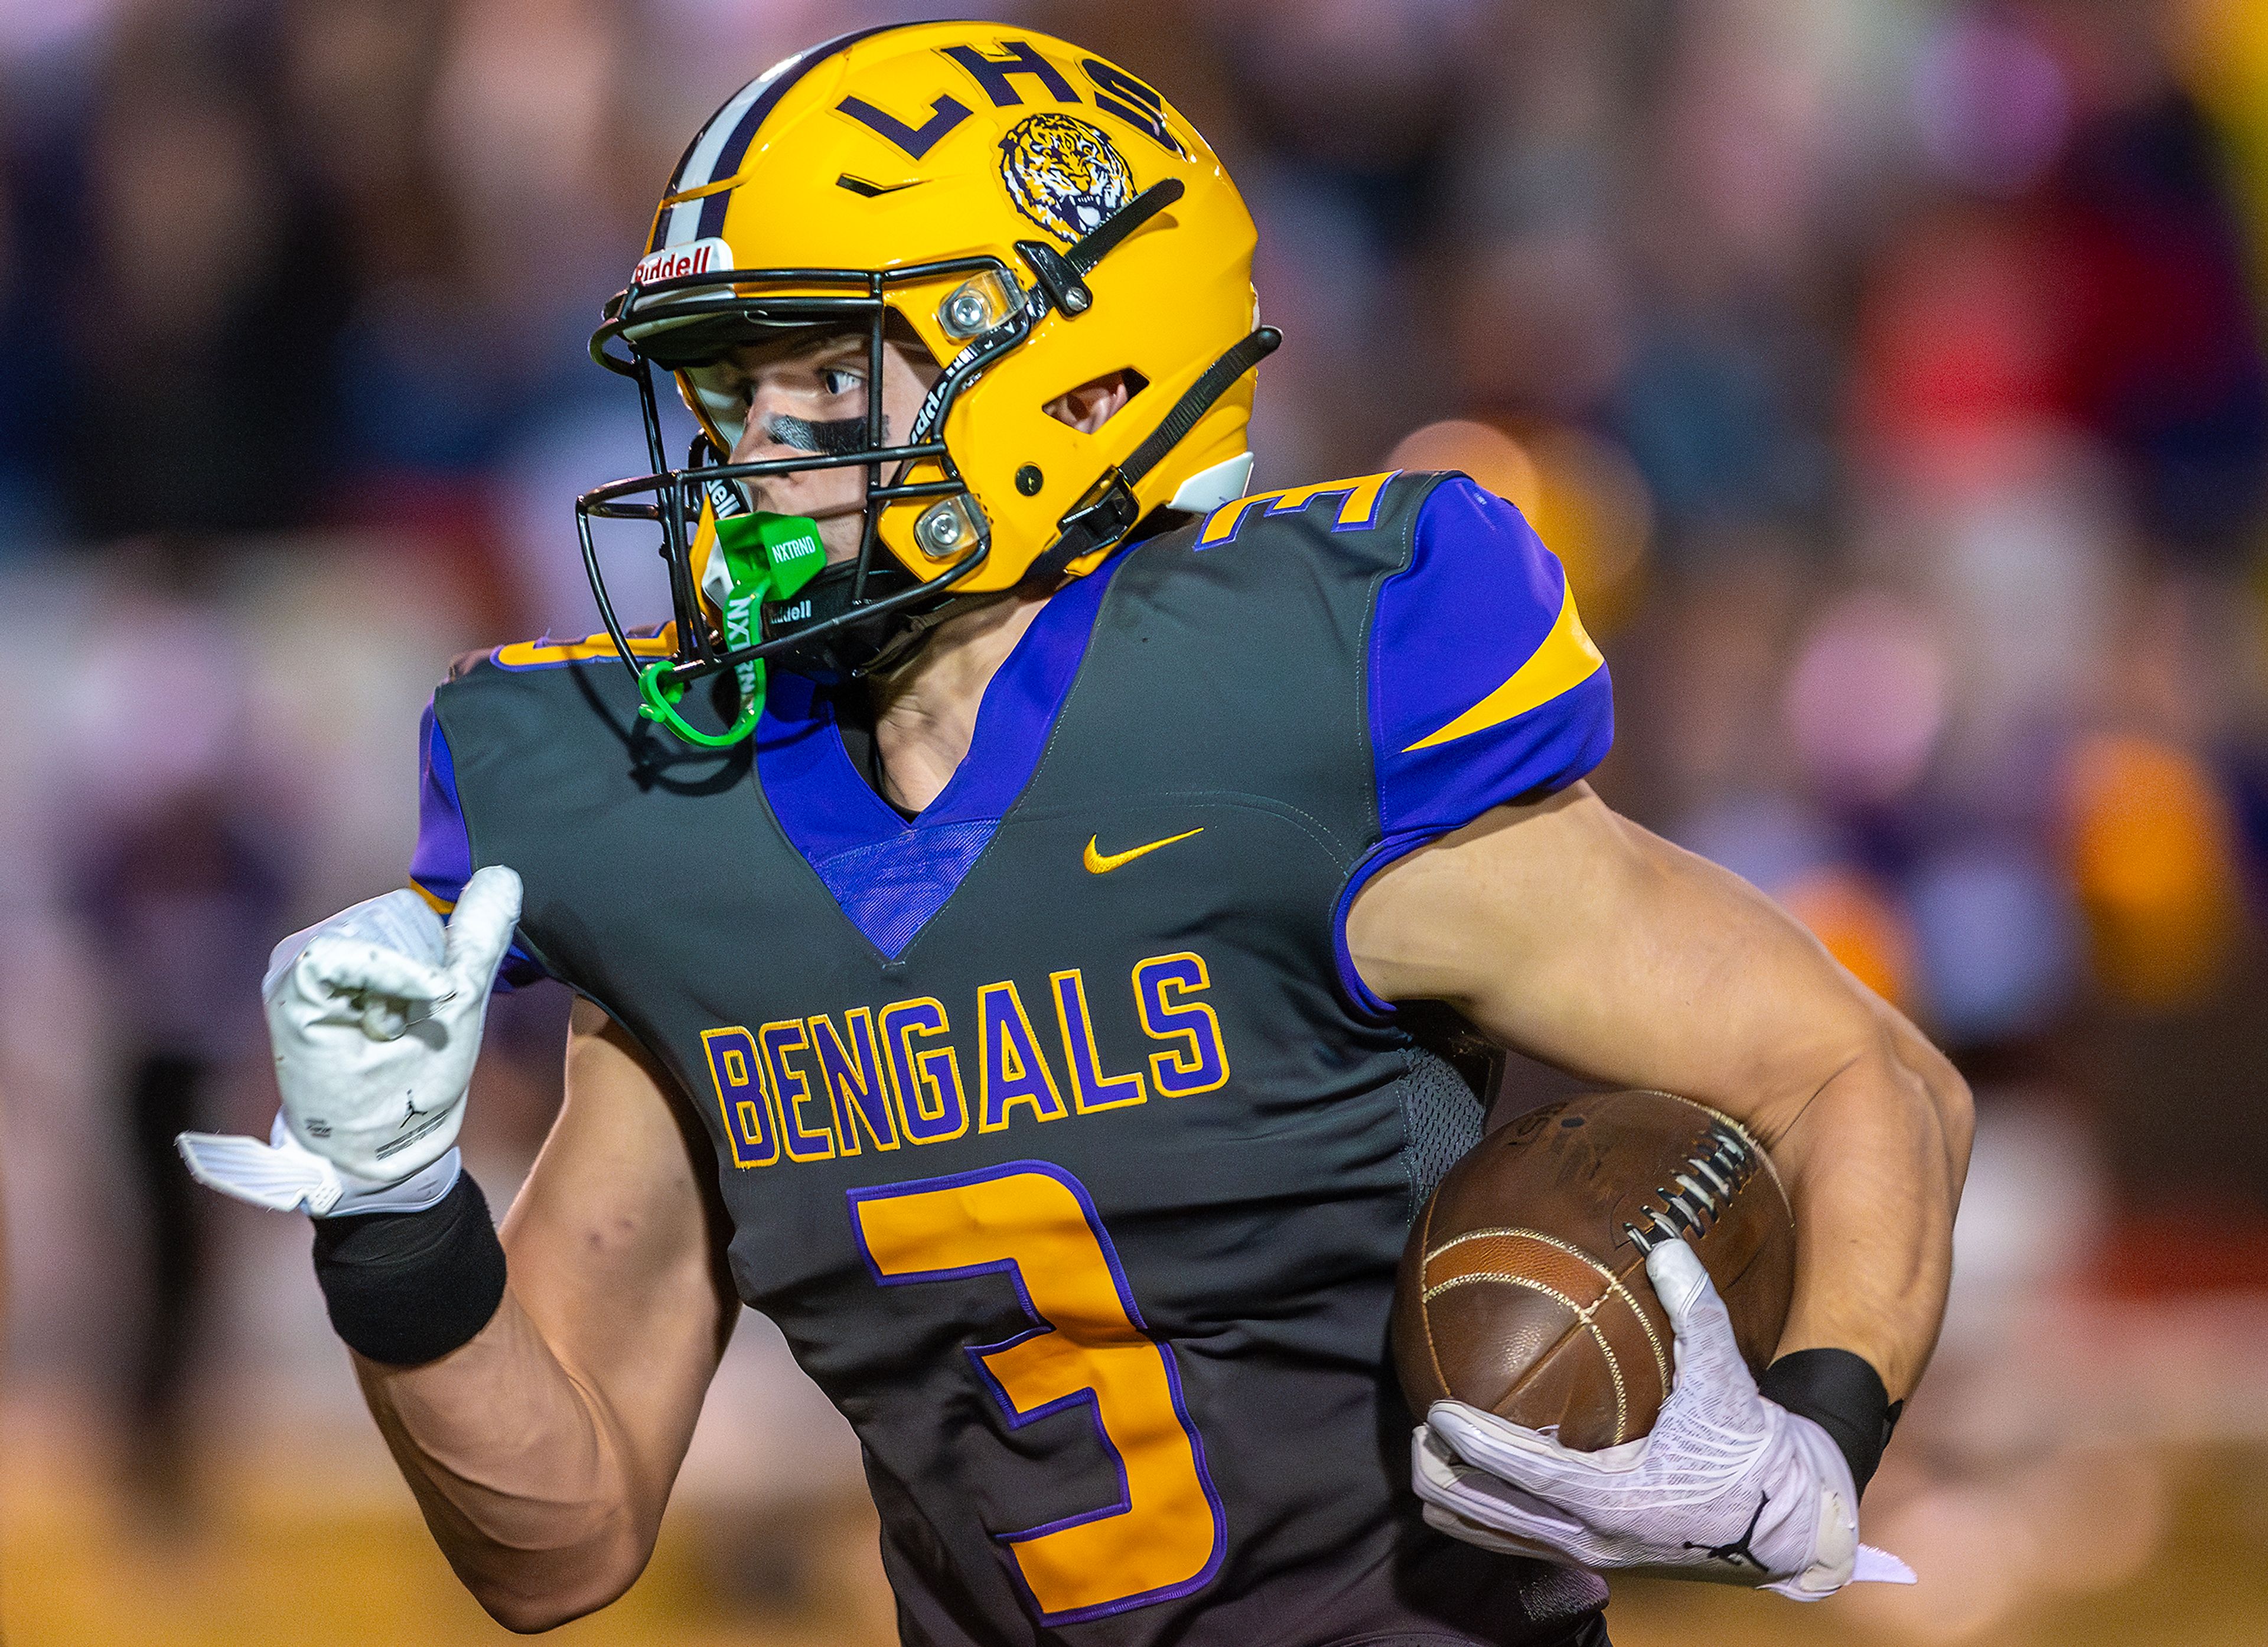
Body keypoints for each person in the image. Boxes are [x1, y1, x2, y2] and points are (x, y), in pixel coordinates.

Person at [180, 24, 1970, 1644]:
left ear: (1088, 382)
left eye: (812, 372)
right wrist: (398, 1217)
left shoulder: (1286, 717)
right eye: (721, 387)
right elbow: (556, 1544)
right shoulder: (676, 827)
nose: (736, 455)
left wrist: (1813, 1440)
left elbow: (1855, 1076)